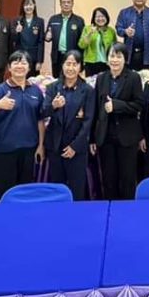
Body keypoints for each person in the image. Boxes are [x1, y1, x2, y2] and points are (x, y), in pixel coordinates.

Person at [0, 50, 45, 201]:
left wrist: (41, 146)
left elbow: (40, 120)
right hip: (4, 150)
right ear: (9, 67)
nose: (19, 66)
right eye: (16, 62)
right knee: (4, 194)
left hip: (29, 149)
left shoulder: (36, 90)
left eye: (23, 63)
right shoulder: (0, 89)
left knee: (26, 194)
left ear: (29, 67)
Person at [92, 43, 144, 200]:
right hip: (106, 136)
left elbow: (138, 105)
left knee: (127, 179)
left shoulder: (133, 77)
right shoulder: (101, 78)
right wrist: (93, 138)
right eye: (112, 56)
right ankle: (111, 210)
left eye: (118, 56)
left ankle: (128, 211)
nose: (114, 60)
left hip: (127, 137)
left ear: (125, 59)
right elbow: (96, 109)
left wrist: (117, 105)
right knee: (109, 179)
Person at [42, 50, 95, 200]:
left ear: (80, 67)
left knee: (76, 190)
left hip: (77, 149)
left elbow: (88, 121)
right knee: (57, 191)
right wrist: (53, 105)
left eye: (74, 64)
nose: (70, 68)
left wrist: (75, 146)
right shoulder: (52, 87)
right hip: (55, 146)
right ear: (62, 65)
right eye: (68, 64)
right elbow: (43, 112)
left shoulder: (88, 90)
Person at [46, 0, 85, 76]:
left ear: (72, 4)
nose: (66, 4)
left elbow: (82, 42)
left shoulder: (79, 20)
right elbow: (47, 36)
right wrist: (47, 37)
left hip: (72, 57)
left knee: (72, 79)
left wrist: (81, 61)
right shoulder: (53, 19)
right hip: (57, 57)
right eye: (63, 2)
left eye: (68, 2)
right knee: (57, 79)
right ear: (60, 4)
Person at [10, 0, 46, 73]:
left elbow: (41, 42)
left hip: (34, 58)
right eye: (26, 5)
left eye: (30, 5)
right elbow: (12, 40)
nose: (28, 7)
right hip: (20, 57)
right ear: (23, 7)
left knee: (33, 79)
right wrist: (16, 32)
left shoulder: (40, 21)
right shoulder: (17, 21)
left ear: (34, 5)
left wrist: (39, 61)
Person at [79, 7, 117, 77]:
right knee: (91, 82)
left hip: (107, 63)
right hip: (91, 63)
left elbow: (115, 47)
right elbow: (82, 45)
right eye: (97, 17)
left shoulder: (111, 31)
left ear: (107, 17)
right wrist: (90, 33)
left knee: (105, 82)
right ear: (94, 18)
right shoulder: (87, 29)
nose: (100, 19)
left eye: (102, 16)